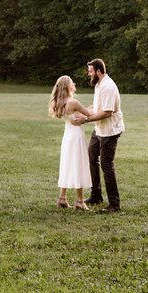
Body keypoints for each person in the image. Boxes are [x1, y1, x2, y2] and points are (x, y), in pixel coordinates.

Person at [72, 58, 124, 212]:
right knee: (91, 157)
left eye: (90, 71)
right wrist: (81, 111)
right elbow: (97, 106)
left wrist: (85, 119)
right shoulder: (99, 85)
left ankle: (114, 204)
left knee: (107, 165)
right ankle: (96, 195)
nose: (89, 74)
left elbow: (107, 112)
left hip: (110, 131)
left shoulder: (108, 86)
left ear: (98, 71)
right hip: (99, 129)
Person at [49, 75, 92, 210]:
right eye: (72, 83)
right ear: (68, 87)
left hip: (67, 136)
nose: (74, 84)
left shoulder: (61, 103)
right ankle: (79, 201)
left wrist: (88, 110)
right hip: (76, 136)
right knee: (78, 164)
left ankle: (62, 198)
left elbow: (84, 112)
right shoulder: (74, 102)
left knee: (67, 164)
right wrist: (94, 108)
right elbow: (89, 115)